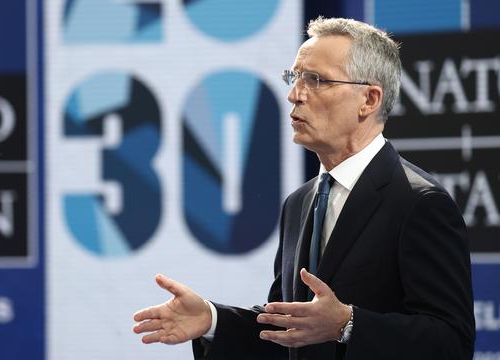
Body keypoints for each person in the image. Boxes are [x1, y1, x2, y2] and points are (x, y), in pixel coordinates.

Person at [132, 17, 475, 360]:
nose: (294, 94)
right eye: (295, 77)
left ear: (369, 100)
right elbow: (288, 329)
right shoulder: (299, 202)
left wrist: (348, 324)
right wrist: (213, 320)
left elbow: (452, 342)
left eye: (316, 80)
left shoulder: (419, 202)